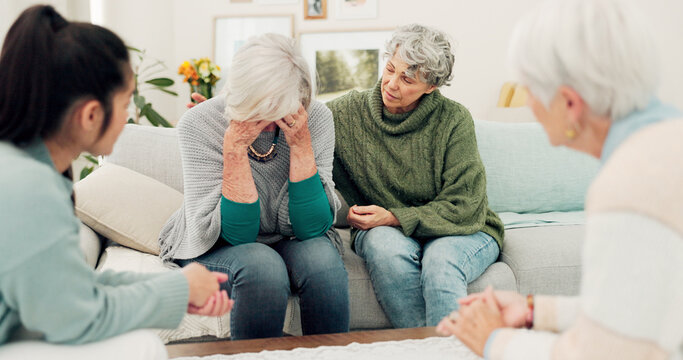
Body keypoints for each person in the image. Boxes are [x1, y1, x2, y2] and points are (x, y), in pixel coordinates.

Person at [436, 0, 683, 359]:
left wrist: (493, 341)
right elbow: (649, 308)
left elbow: (612, 353)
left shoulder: (630, 181)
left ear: (569, 103)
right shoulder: (666, 140)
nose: (530, 104)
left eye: (530, 90)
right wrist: (538, 311)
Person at [0, 5, 232, 360]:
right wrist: (180, 291)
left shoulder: (29, 169)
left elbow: (75, 288)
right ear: (91, 115)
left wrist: (176, 290)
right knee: (143, 346)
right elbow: (75, 317)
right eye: (125, 104)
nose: (128, 117)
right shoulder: (31, 188)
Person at [158, 33, 349, 340]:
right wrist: (234, 149)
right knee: (263, 267)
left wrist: (301, 145)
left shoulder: (316, 117)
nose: (272, 122)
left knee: (323, 263)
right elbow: (238, 235)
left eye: (283, 108)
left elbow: (312, 227)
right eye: (263, 109)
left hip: (290, 235)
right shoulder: (200, 124)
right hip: (216, 241)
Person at [325, 24, 505, 328]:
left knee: (440, 263)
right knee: (382, 245)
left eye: (407, 78)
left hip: (461, 228)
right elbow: (300, 119)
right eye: (390, 69)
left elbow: (464, 205)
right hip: (387, 232)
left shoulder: (453, 120)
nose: (391, 84)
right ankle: (430, 349)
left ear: (431, 86)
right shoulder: (348, 113)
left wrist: (393, 217)